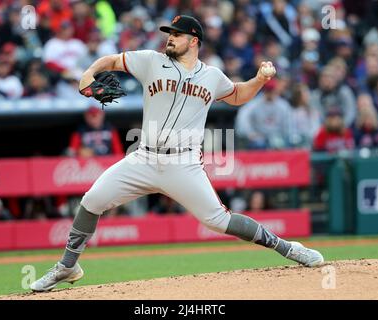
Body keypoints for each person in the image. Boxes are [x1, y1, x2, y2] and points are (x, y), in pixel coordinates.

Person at [30, 15, 324, 292]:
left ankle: (288, 248)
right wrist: (88, 73)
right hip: (144, 157)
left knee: (219, 221)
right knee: (92, 200)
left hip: (183, 163)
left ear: (193, 40)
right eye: (169, 33)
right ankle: (68, 266)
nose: (170, 38)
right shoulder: (151, 61)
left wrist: (259, 80)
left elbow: (237, 95)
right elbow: (111, 60)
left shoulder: (211, 75)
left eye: (177, 34)